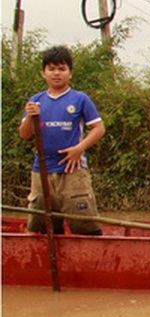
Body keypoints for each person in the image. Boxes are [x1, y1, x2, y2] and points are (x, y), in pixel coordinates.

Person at [18, 46, 105, 235]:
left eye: (62, 69)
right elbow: (24, 134)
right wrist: (31, 117)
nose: (56, 73)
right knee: (40, 227)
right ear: (43, 73)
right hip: (41, 170)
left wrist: (79, 149)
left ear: (70, 73)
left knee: (84, 225)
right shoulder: (36, 100)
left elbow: (99, 129)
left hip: (72, 170)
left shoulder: (80, 99)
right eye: (51, 69)